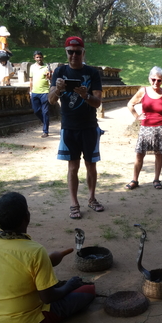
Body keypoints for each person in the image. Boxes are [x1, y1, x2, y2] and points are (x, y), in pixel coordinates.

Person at [0, 192, 95, 323]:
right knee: (88, 290)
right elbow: (48, 298)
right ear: (27, 217)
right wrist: (69, 285)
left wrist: (47, 261)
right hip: (27, 322)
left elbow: (14, 268)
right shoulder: (35, 251)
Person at [48, 36, 104, 218]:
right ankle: (74, 203)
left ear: (83, 53)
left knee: (91, 165)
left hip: (89, 126)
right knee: (73, 166)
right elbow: (50, 100)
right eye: (70, 52)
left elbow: (97, 102)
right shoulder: (59, 72)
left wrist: (86, 95)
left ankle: (92, 198)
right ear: (66, 53)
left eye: (77, 52)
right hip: (69, 127)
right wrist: (58, 90)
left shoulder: (92, 73)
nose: (74, 56)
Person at [126, 66, 162, 190]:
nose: (155, 82)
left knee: (159, 154)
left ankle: (156, 179)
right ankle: (134, 180)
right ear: (149, 79)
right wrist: (137, 116)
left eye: (159, 80)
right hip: (145, 127)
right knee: (139, 154)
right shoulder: (143, 91)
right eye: (153, 79)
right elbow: (130, 104)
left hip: (160, 128)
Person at [29, 51, 52, 138]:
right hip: (35, 92)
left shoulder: (46, 67)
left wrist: (49, 75)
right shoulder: (32, 67)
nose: (39, 59)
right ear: (34, 58)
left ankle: (45, 131)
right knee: (36, 111)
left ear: (42, 58)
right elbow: (31, 80)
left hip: (45, 91)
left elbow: (50, 78)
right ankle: (45, 122)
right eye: (37, 57)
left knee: (45, 111)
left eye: (40, 57)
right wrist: (30, 91)